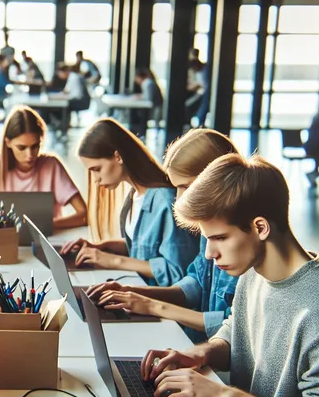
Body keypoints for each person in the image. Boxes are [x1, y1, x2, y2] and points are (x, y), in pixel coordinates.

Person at [139, 154, 319, 397]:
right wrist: (202, 353)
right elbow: (238, 331)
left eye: (220, 238)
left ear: (260, 227)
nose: (210, 253)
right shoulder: (253, 274)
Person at [88, 129, 241, 343]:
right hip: (194, 344)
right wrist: (132, 292)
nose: (177, 198)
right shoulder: (208, 229)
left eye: (185, 186)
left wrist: (153, 306)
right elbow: (195, 282)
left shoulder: (243, 243)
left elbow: (230, 327)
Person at [60, 119, 199, 286]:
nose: (95, 179)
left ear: (118, 156)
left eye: (97, 169)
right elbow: (141, 248)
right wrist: (101, 247)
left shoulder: (165, 201)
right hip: (136, 290)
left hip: (156, 301)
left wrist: (114, 261)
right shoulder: (135, 194)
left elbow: (177, 271)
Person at [0, 106, 88, 230]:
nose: (30, 155)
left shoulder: (51, 165)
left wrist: (49, 225)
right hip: (2, 241)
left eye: (35, 146)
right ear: (8, 142)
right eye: (21, 148)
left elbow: (83, 214)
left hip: (47, 241)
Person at [44, 64, 91, 135]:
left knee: (60, 108)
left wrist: (55, 97)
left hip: (81, 102)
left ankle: (62, 127)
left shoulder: (73, 78)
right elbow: (66, 91)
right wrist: (55, 96)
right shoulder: (72, 76)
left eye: (60, 74)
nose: (60, 76)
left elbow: (73, 95)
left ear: (65, 71)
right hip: (80, 100)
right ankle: (61, 125)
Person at [131, 67, 164, 137]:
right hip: (157, 105)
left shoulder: (147, 83)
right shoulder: (149, 82)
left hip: (156, 106)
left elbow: (148, 97)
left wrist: (139, 97)